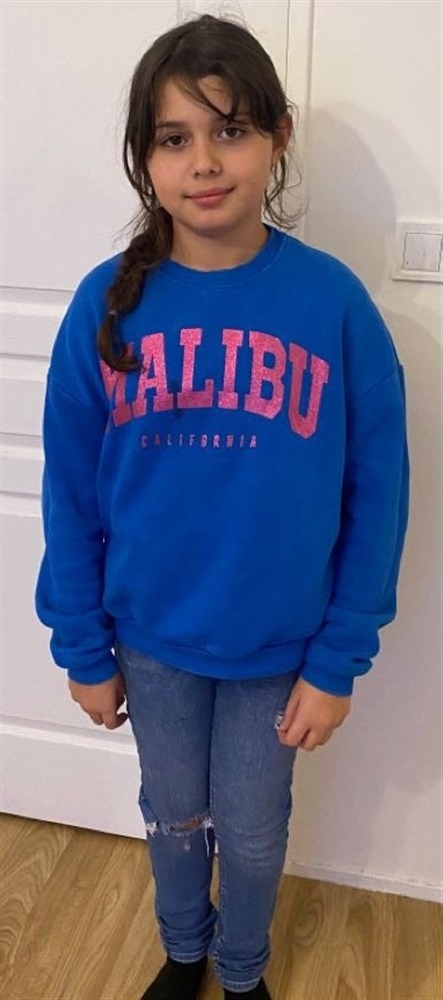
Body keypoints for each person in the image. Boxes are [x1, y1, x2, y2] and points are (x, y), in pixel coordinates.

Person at [35, 13, 409, 1000]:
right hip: (148, 640)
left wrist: (336, 659)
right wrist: (81, 646)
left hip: (276, 648)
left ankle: (242, 972)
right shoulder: (105, 307)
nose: (203, 162)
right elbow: (69, 492)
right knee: (170, 815)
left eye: (229, 130)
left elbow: (377, 497)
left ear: (277, 137)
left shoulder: (331, 306)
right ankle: (183, 952)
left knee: (248, 829)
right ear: (144, 157)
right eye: (174, 137)